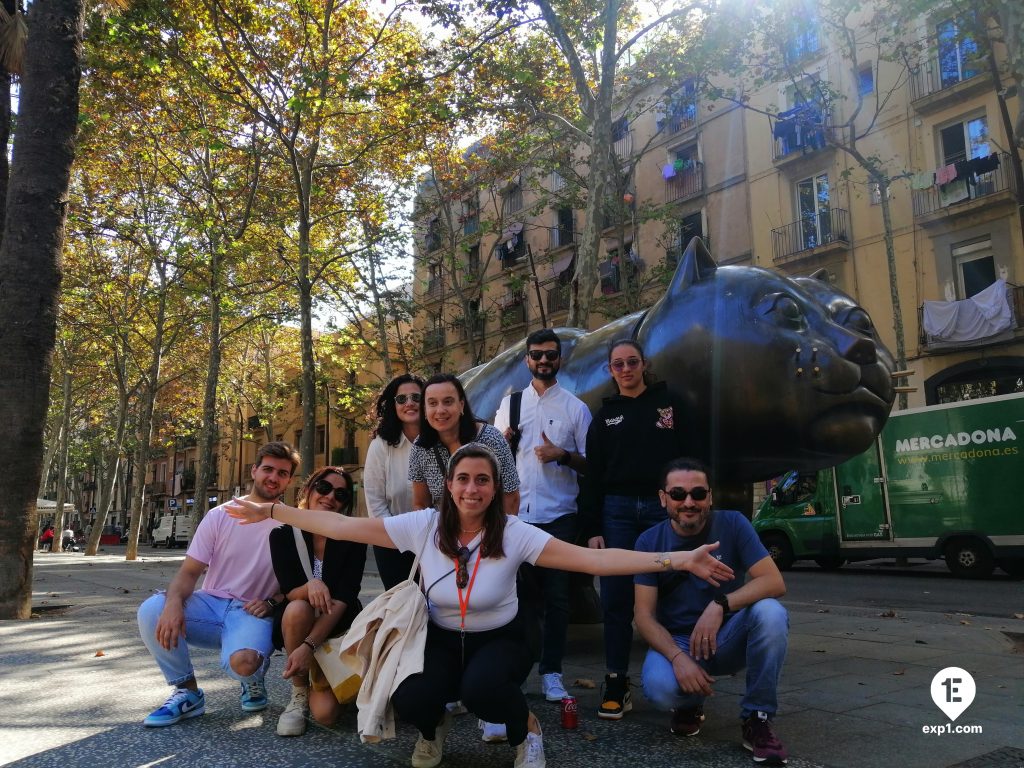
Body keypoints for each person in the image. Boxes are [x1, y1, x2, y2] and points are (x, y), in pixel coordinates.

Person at [225, 442, 733, 768]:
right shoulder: (423, 524)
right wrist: (273, 509)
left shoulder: (514, 533)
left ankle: (526, 732)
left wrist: (679, 559)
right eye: (463, 479)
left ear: (494, 489)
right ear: (449, 486)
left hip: (502, 636)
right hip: (440, 634)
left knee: (486, 690)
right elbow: (341, 525)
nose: (472, 488)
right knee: (414, 697)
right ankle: (432, 733)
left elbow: (592, 562)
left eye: (482, 480)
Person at [634, 457, 789, 765]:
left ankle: (757, 717)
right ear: (663, 498)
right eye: (678, 494)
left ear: (710, 496)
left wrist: (720, 604)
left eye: (698, 494)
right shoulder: (649, 541)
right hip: (678, 640)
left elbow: (774, 581)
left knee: (771, 613)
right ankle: (689, 703)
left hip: (728, 634)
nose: (688, 502)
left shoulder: (732, 523)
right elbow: (643, 616)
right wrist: (678, 659)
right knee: (660, 689)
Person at [136, 441, 299, 727]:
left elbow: (300, 581)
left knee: (245, 664)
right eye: (268, 469)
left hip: (251, 611)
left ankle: (253, 679)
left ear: (289, 480)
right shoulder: (220, 515)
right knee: (152, 611)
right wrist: (173, 604)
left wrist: (273, 601)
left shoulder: (293, 524)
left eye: (282, 473)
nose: (273, 477)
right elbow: (189, 573)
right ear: (254, 470)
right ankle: (187, 693)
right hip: (210, 605)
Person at [579, 338, 690, 720]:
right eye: (617, 364)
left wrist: (688, 507)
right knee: (616, 597)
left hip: (664, 508)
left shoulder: (671, 405)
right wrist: (593, 526)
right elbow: (592, 476)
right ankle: (617, 680)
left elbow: (692, 457)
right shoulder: (604, 416)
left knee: (672, 593)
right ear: (610, 371)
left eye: (631, 362)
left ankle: (680, 678)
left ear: (644, 364)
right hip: (618, 511)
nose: (625, 369)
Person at [494, 328, 591, 703]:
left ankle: (552, 672)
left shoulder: (575, 408)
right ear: (527, 360)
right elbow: (497, 458)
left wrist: (562, 456)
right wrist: (501, 443)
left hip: (559, 517)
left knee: (558, 601)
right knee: (516, 600)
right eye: (537, 355)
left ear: (560, 359)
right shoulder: (510, 404)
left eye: (550, 354)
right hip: (516, 517)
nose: (543, 360)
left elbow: (591, 465)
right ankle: (516, 673)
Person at [270, 466, 366, 737]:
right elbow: (289, 591)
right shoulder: (283, 536)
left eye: (340, 494)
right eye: (324, 488)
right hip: (297, 624)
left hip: (336, 626)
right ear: (309, 490)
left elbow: (345, 597)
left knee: (325, 716)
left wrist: (309, 646)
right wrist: (310, 585)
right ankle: (299, 692)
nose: (330, 497)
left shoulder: (352, 538)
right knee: (297, 607)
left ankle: (320, 671)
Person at [410, 372, 520, 515]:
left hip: (490, 530)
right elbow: (421, 504)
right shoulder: (420, 446)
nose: (440, 410)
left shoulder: (491, 439)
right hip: (443, 532)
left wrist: (498, 535)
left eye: (448, 401)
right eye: (432, 403)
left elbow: (511, 498)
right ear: (424, 410)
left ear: (461, 405)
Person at [364, 373, 424, 589]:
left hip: (434, 541)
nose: (409, 403)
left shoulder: (439, 442)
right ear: (394, 405)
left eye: (416, 398)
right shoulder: (381, 445)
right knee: (402, 606)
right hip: (390, 543)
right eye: (402, 399)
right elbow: (375, 502)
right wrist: (399, 541)